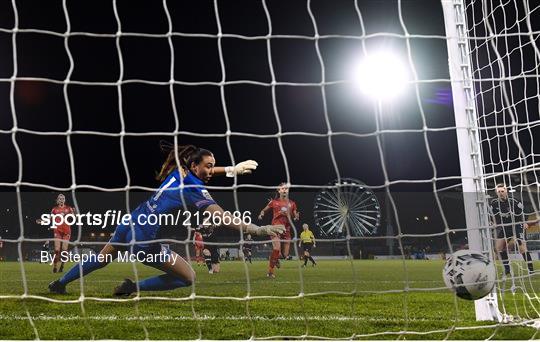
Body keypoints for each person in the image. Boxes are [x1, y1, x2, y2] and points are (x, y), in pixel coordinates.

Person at [48, 143, 284, 295]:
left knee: (101, 259)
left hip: (131, 220)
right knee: (188, 278)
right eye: (208, 167)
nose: (212, 171)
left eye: (213, 167)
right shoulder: (195, 188)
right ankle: (133, 287)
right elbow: (222, 217)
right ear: (194, 165)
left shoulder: (178, 171)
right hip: (144, 238)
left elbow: (201, 169)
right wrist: (258, 230)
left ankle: (60, 284)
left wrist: (231, 169)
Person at [490, 183, 535, 275]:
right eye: (499, 191)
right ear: (496, 192)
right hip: (506, 226)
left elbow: (524, 212)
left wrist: (525, 222)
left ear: (506, 191)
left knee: (521, 247)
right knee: (498, 248)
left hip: (517, 225)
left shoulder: (514, 201)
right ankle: (507, 270)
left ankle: (531, 270)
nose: (501, 193)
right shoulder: (494, 204)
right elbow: (492, 215)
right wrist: (493, 222)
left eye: (502, 191)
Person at [258, 183, 299, 278]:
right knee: (276, 249)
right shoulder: (274, 202)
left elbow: (294, 216)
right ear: (279, 190)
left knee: (285, 255)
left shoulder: (292, 203)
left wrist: (295, 217)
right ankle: (270, 272)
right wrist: (261, 214)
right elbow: (264, 210)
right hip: (275, 228)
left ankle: (275, 258)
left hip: (287, 229)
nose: (284, 190)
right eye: (282, 188)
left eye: (286, 188)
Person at [37, 194, 74, 273]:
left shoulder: (69, 208)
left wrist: (75, 214)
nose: (61, 200)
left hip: (67, 231)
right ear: (57, 200)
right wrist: (42, 221)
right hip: (57, 231)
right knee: (57, 250)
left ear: (65, 200)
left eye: (63, 198)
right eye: (60, 198)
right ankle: (55, 267)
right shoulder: (54, 209)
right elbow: (50, 219)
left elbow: (74, 218)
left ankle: (62, 266)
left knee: (64, 250)